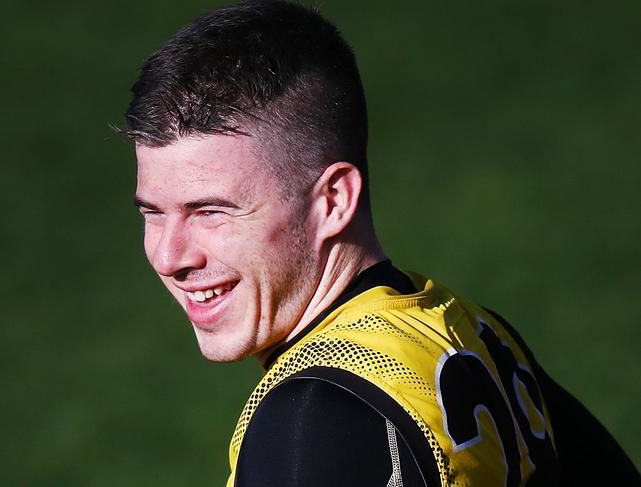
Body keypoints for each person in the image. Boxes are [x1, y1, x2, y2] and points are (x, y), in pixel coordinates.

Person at [121, 1, 639, 485]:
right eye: (153, 213)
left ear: (334, 201)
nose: (170, 257)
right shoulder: (469, 330)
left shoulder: (314, 422)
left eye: (211, 212)